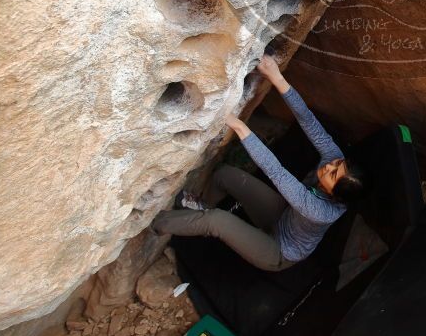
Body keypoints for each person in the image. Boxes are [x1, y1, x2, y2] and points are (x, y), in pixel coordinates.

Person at [151, 55, 367, 271]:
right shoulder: (334, 159)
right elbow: (307, 120)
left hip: (279, 250)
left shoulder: (319, 212)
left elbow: (276, 172)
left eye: (331, 174)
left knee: (216, 221)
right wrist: (276, 77)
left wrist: (238, 126)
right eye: (336, 164)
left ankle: (155, 224)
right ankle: (201, 209)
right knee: (225, 175)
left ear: (334, 195)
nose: (328, 166)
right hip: (283, 216)